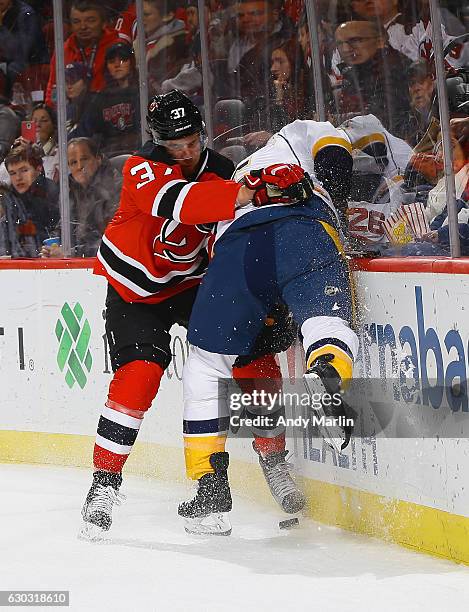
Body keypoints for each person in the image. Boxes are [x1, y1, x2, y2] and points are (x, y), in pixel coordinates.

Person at [79, 90, 305, 539]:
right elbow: (181, 203)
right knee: (140, 375)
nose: (186, 151)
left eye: (193, 140)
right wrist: (247, 191)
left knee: (251, 356)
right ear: (158, 142)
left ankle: (273, 462)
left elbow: (244, 219)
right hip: (135, 290)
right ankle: (103, 484)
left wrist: (277, 182)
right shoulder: (139, 168)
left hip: (191, 284)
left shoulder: (223, 169)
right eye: (175, 145)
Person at [178, 119, 359, 535]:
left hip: (239, 246)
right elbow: (333, 143)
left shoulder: (226, 187)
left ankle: (209, 485)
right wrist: (338, 202)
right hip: (307, 228)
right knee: (325, 321)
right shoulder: (294, 135)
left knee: (208, 366)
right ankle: (328, 371)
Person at [41, 137, 122, 258]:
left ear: (98, 159)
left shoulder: (115, 188)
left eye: (84, 159)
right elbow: (63, 228)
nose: (79, 166)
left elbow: (114, 243)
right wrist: (51, 247)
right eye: (73, 162)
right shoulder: (72, 190)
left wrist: (71, 253)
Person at [335, 20, 412, 138]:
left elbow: (384, 117)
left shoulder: (394, 68)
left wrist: (336, 119)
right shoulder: (351, 72)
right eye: (340, 43)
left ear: (380, 41)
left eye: (355, 40)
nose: (345, 49)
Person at [45, 0, 119, 107]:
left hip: (108, 112)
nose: (83, 27)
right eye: (76, 21)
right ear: (70, 25)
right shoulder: (63, 51)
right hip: (72, 116)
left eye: (90, 20)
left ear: (104, 23)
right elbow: (51, 95)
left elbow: (125, 88)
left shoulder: (116, 47)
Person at [75, 42, 140, 156]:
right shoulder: (101, 99)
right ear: (107, 67)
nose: (117, 65)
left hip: (140, 153)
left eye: (123, 59)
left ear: (131, 62)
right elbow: (83, 131)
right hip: (110, 157)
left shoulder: (142, 91)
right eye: (111, 61)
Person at [2, 140, 58, 256]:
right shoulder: (8, 198)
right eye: (13, 173)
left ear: (38, 169)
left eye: (24, 170)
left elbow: (57, 233)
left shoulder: (51, 192)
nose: (18, 178)